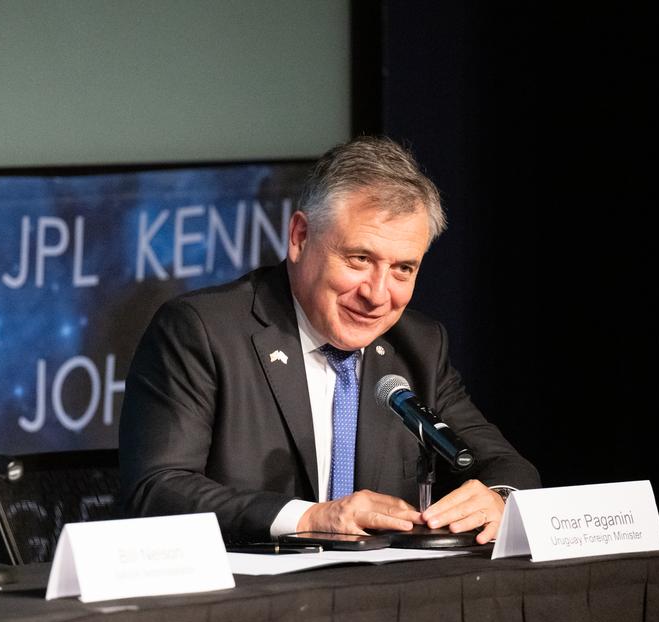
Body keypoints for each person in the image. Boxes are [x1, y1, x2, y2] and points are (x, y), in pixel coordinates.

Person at [120, 136, 540, 544]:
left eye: (403, 269)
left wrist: (499, 498)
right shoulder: (202, 331)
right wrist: (309, 517)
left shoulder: (420, 346)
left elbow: (507, 465)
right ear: (301, 238)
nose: (377, 294)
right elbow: (157, 490)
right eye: (360, 259)